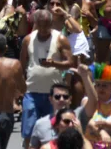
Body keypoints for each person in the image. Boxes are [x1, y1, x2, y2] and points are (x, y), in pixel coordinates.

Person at [21, 10, 75, 148]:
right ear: (36, 24)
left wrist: (54, 64)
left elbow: (70, 62)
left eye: (46, 25)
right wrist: (19, 89)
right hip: (31, 91)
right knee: (29, 131)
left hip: (54, 94)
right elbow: (21, 65)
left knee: (52, 131)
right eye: (40, 25)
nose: (44, 29)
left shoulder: (60, 39)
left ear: (51, 23)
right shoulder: (28, 39)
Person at [28, 83, 74, 149]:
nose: (61, 99)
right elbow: (33, 147)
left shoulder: (78, 118)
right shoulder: (40, 124)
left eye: (65, 96)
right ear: (51, 99)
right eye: (57, 97)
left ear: (70, 99)